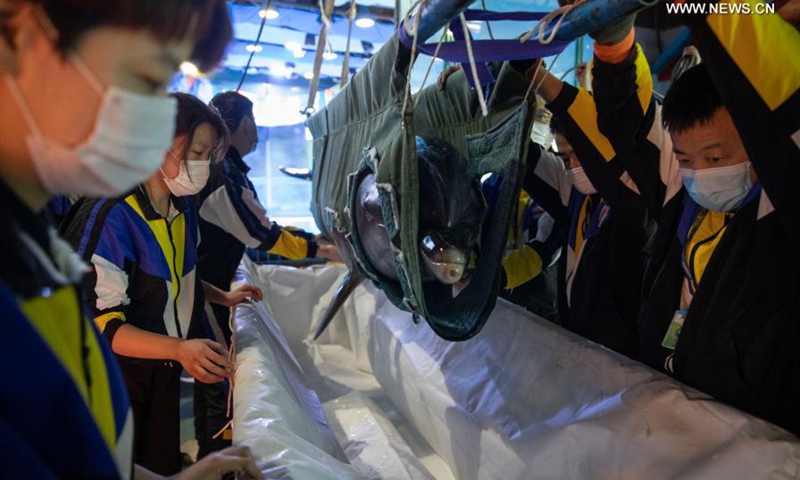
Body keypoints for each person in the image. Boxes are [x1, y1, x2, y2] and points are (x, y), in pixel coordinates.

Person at [0, 0, 262, 478]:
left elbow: (68, 450)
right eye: (147, 80)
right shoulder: (102, 220)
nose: (152, 123)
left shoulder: (34, 252)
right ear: (23, 33)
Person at [63, 93, 263, 475]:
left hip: (163, 369)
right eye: (197, 152)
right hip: (116, 377)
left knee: (160, 462)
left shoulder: (182, 208)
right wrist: (179, 347)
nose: (203, 165)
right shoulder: (111, 214)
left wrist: (223, 297)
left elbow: (179, 278)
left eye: (207, 155)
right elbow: (99, 321)